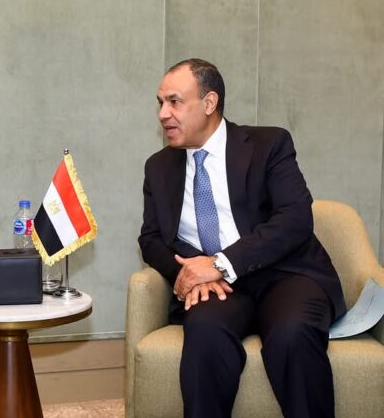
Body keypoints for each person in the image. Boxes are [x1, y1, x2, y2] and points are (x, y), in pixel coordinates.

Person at [138, 58, 346, 418]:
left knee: (292, 335)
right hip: (216, 290)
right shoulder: (159, 167)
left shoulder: (269, 144)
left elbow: (295, 219)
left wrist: (220, 264)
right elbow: (151, 238)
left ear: (209, 103)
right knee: (204, 333)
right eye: (160, 103)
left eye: (174, 102)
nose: (163, 114)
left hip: (285, 274)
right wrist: (189, 272)